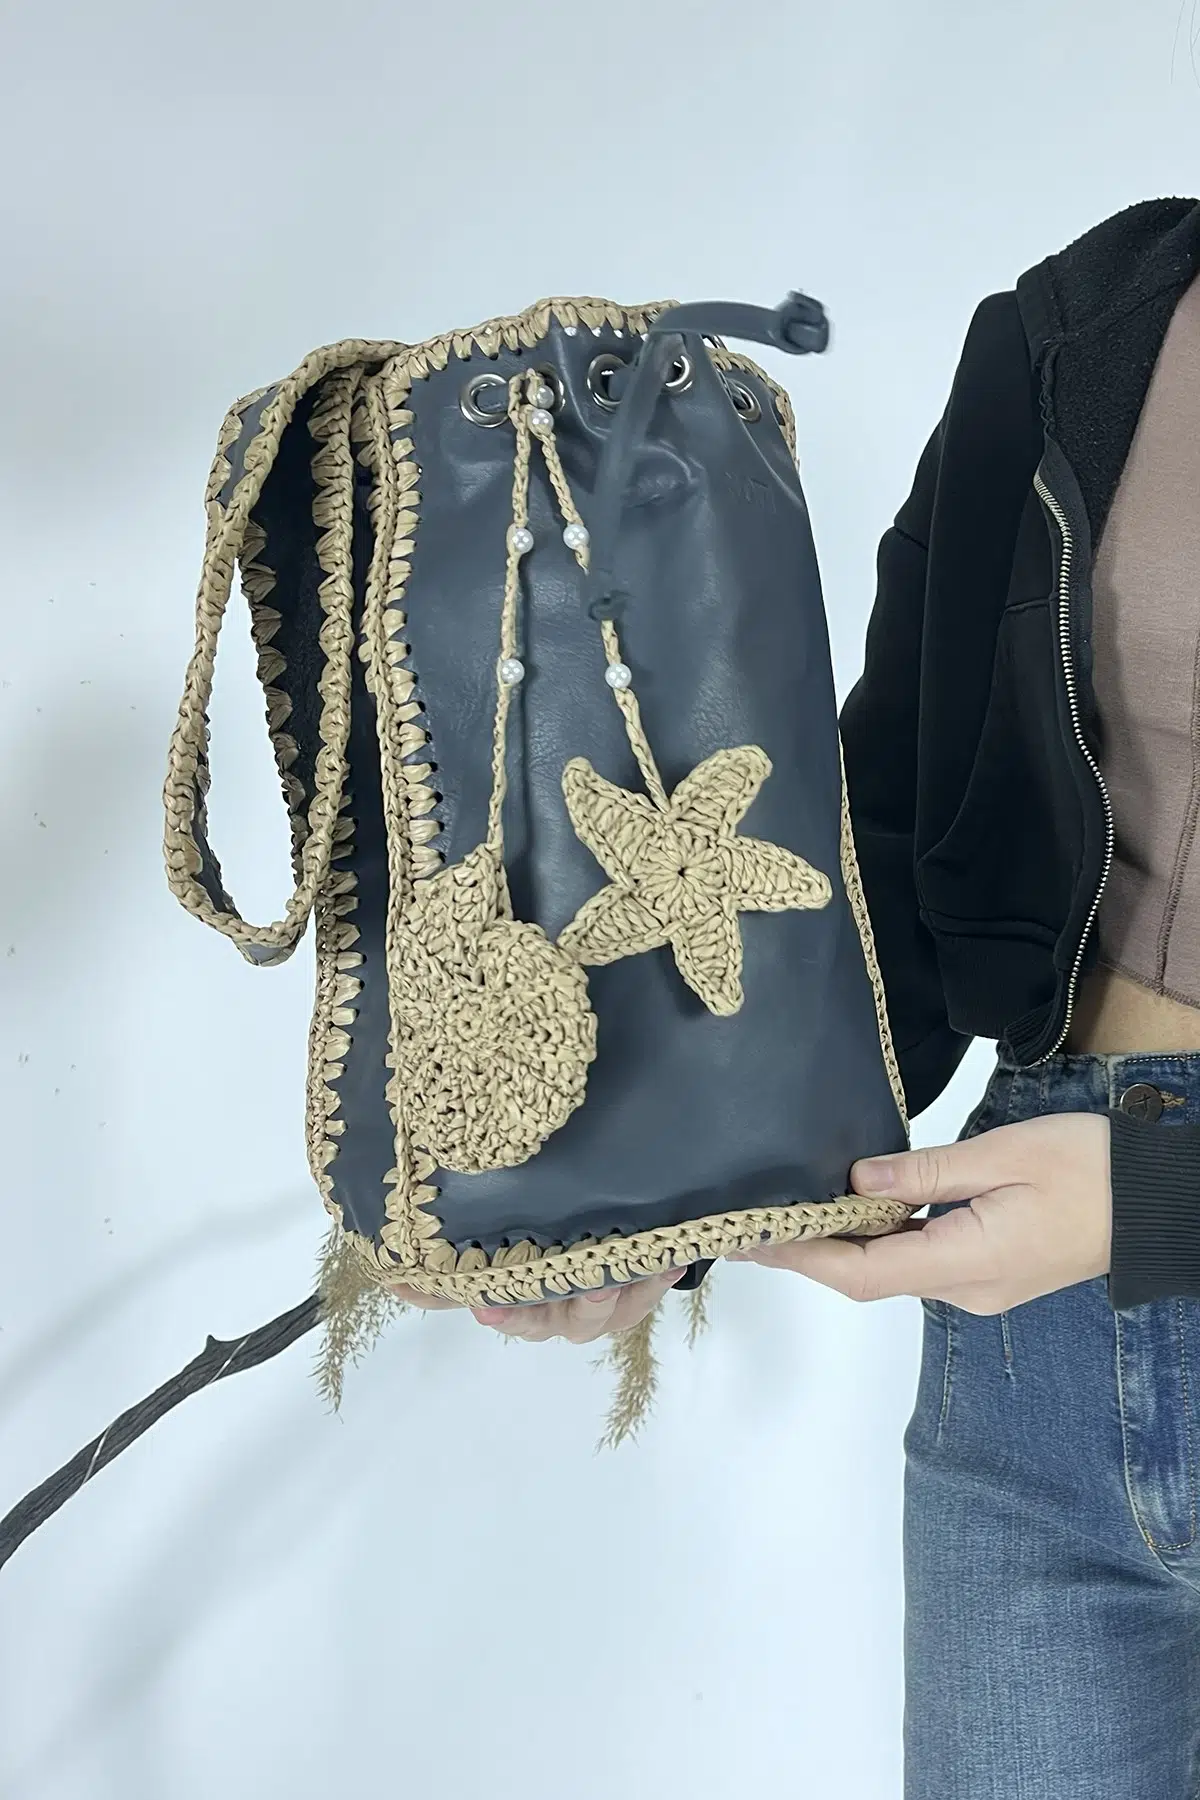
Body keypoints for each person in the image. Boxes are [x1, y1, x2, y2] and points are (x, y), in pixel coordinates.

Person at [390, 198, 1200, 1796]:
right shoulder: (1081, 325)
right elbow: (891, 825)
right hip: (1036, 1354)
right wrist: (672, 1190)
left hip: (1091, 1211)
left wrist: (1162, 1196)